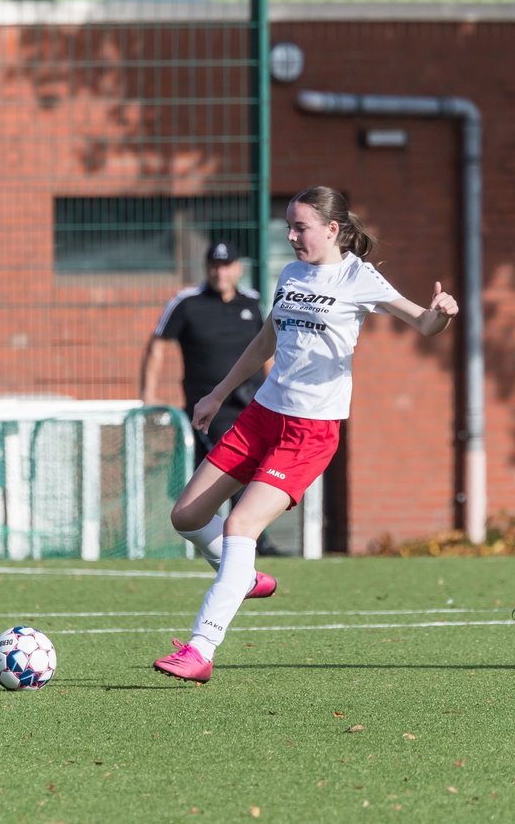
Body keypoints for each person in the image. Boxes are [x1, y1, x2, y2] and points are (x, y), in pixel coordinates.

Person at [153, 186, 459, 684]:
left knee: (239, 528)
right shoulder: (291, 272)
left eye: (301, 227)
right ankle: (244, 578)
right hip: (261, 414)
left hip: (310, 432)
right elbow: (268, 337)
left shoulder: (359, 277)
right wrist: (218, 393)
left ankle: (201, 649)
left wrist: (440, 314)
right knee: (186, 515)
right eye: (289, 227)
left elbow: (422, 324)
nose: (292, 236)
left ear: (333, 229)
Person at [140, 241, 282, 556]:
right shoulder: (187, 302)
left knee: (260, 470)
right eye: (214, 265)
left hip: (254, 403)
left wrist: (277, 386)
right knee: (225, 474)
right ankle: (240, 543)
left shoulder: (253, 302)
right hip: (211, 409)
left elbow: (266, 349)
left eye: (227, 264)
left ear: (238, 268)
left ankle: (249, 540)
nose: (220, 272)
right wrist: (148, 396)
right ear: (206, 268)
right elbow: (158, 344)